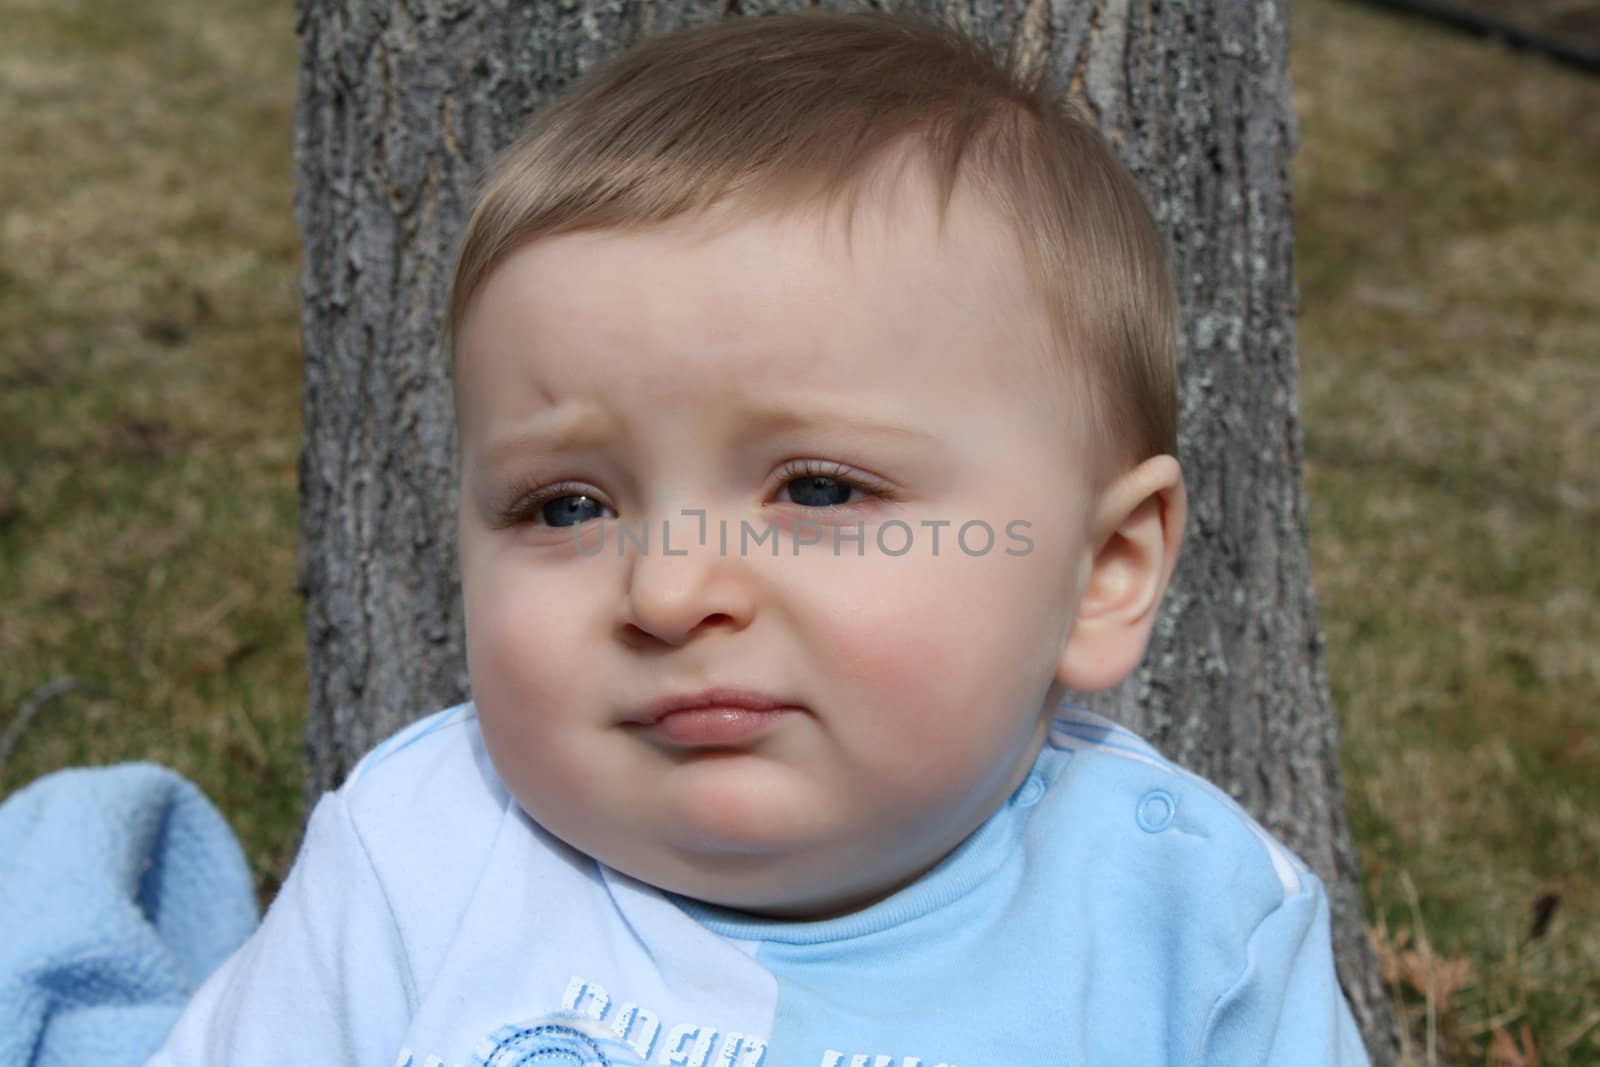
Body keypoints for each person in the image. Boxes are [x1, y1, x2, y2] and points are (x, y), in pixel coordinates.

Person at [152, 9, 1369, 1066]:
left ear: (1104, 571)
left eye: (822, 491)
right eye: (567, 505)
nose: (671, 590)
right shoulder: (423, 851)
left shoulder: (1186, 925)